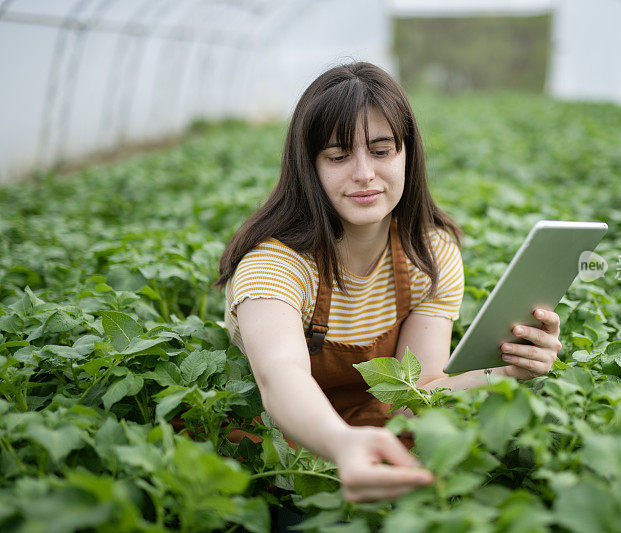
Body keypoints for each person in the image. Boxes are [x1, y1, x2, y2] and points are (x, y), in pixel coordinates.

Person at [213, 62, 562, 507]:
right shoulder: (276, 265)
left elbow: (414, 396)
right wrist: (342, 445)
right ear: (309, 166)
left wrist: (508, 371)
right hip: (285, 455)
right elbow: (281, 376)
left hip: (382, 434)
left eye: (381, 151)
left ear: (407, 155)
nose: (364, 173)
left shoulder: (429, 255)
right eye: (338, 156)